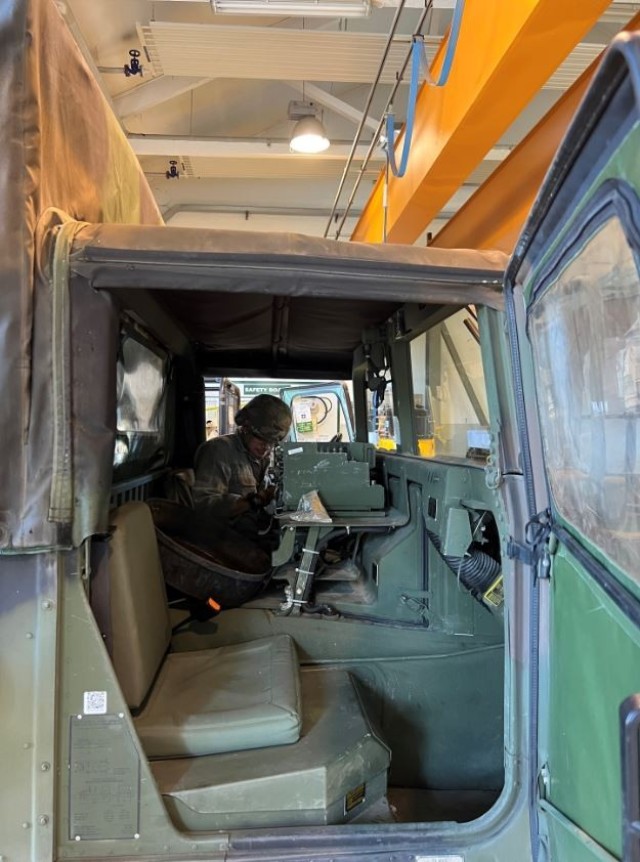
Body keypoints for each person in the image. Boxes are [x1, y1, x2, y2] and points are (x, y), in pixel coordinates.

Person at [192, 394, 292, 572]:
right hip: (222, 546)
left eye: (272, 443)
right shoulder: (219, 451)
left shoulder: (261, 458)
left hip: (251, 540)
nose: (266, 448)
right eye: (261, 440)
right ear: (245, 428)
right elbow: (204, 507)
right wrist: (255, 500)